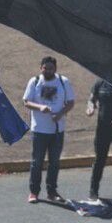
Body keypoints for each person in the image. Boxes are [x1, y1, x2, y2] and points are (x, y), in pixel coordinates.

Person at [23, 56, 75, 203]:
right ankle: (34, 192)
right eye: (45, 68)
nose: (48, 71)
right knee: (37, 162)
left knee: (54, 162)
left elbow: (70, 103)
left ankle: (52, 192)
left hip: (57, 130)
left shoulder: (63, 82)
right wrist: (40, 107)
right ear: (41, 68)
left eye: (51, 68)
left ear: (55, 69)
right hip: (39, 129)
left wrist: (60, 114)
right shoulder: (35, 81)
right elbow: (26, 102)